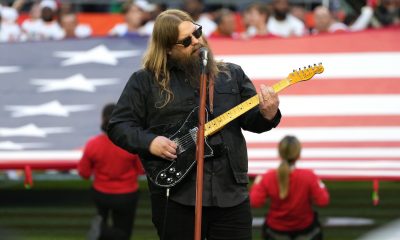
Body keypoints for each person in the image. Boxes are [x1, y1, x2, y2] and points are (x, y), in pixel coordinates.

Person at [107, 9, 281, 240]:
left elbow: (252, 121)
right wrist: (150, 143)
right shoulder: (145, 81)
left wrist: (268, 115)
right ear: (168, 48)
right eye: (186, 41)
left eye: (197, 32)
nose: (197, 41)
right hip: (176, 194)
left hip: (229, 192)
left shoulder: (232, 74)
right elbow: (118, 125)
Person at [78, 103, 144, 240]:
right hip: (127, 195)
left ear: (102, 119)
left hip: (101, 195)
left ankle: (101, 230)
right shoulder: (131, 143)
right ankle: (101, 230)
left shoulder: (93, 144)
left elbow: (84, 173)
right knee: (124, 234)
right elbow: (142, 170)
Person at [250, 135, 330, 240]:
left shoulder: (267, 177)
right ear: (298, 154)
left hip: (275, 231)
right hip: (305, 230)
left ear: (279, 153)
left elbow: (254, 202)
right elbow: (323, 201)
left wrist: (256, 185)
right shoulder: (309, 176)